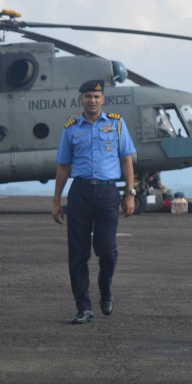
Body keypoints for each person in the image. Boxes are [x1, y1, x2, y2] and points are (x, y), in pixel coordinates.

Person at [51, 79, 137, 324]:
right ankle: (83, 307)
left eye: (97, 97)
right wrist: (56, 201)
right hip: (80, 192)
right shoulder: (71, 128)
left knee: (107, 251)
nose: (92, 100)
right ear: (81, 99)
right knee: (77, 254)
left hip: (108, 193)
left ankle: (106, 288)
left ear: (103, 99)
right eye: (88, 96)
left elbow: (126, 160)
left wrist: (129, 194)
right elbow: (63, 166)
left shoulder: (116, 124)